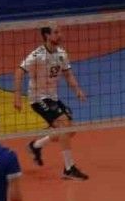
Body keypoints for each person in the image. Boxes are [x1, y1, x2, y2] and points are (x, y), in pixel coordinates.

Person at [12, 25, 89, 181]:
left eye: (60, 32)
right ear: (47, 35)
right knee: (63, 125)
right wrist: (17, 96)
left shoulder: (62, 54)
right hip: (38, 98)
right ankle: (69, 169)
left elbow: (68, 75)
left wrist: (78, 90)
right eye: (56, 32)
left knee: (70, 130)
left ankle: (36, 146)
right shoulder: (37, 55)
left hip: (52, 97)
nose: (60, 35)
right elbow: (19, 72)